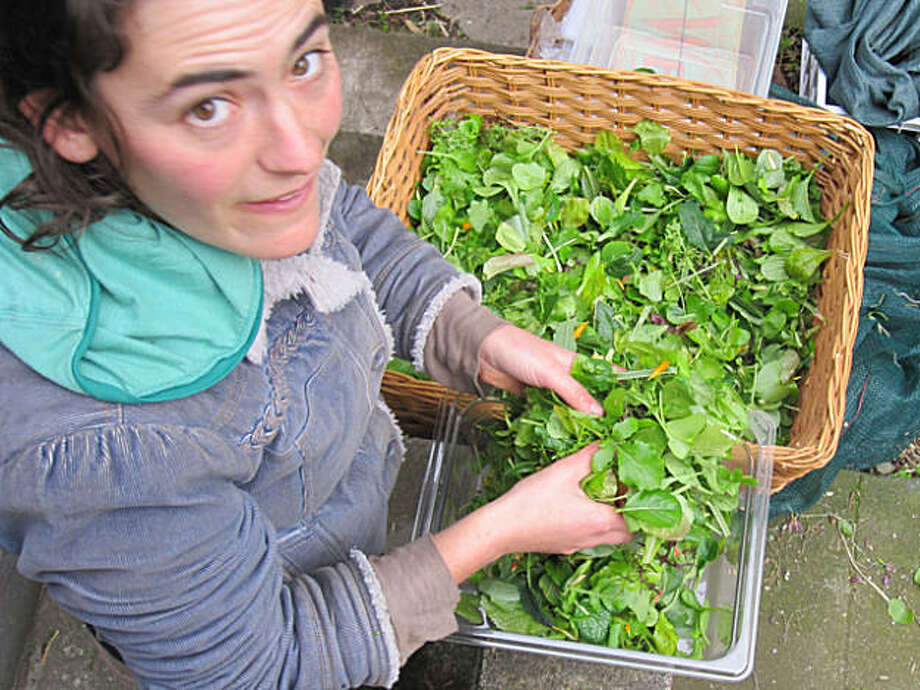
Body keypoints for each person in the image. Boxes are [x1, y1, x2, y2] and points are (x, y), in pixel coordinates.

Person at [0, 1, 631, 687]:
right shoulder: (101, 460)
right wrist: (498, 533)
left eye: (303, 62)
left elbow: (335, 218)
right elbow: (259, 668)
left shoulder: (225, 186)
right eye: (208, 108)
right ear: (70, 123)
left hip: (334, 514)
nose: (302, 149)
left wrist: (474, 335)